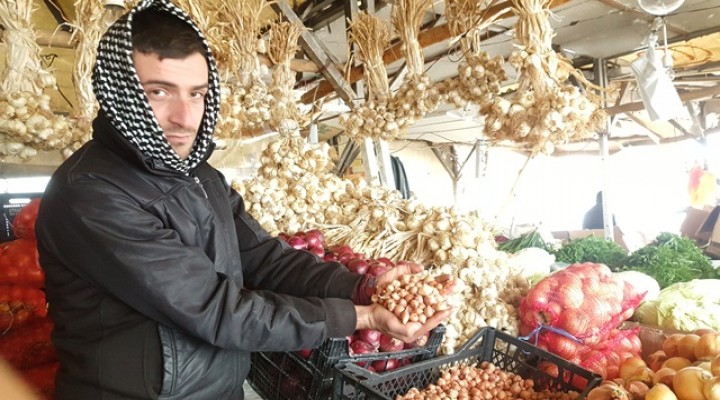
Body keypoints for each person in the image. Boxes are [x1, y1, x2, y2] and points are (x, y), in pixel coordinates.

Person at [34, 1, 452, 399]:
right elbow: (218, 310)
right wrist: (361, 317)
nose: (185, 117)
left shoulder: (198, 173)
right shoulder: (91, 195)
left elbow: (266, 257)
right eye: (159, 92)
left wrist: (363, 287)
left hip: (216, 386)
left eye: (197, 93)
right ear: (118, 90)